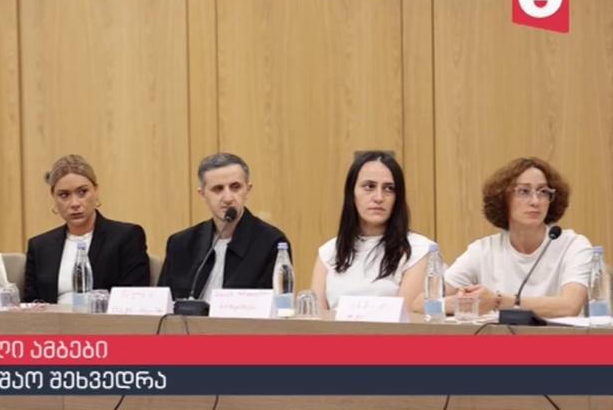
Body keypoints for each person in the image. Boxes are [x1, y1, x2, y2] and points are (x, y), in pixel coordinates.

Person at [417, 157, 592, 318]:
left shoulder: (573, 245)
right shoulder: (483, 250)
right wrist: (471, 303)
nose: (535, 201)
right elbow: (420, 303)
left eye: (543, 192)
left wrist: (498, 301)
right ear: (503, 198)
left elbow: (569, 306)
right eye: (524, 191)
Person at [310, 151, 434, 311]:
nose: (379, 197)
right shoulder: (328, 252)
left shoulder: (420, 250)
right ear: (351, 193)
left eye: (389, 189)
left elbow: (407, 318)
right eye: (369, 187)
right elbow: (317, 320)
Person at [159, 153, 291, 300]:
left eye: (235, 187)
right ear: (202, 194)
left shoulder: (271, 243)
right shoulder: (180, 243)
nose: (228, 198)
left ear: (247, 190)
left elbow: (274, 306)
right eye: (218, 189)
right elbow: (163, 305)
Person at [23, 155, 150, 303]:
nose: (74, 203)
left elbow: (134, 297)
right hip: (53, 318)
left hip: (105, 317)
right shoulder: (40, 246)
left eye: (82, 192)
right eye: (64, 195)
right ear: (53, 197)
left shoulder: (126, 237)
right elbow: (30, 303)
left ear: (96, 190)